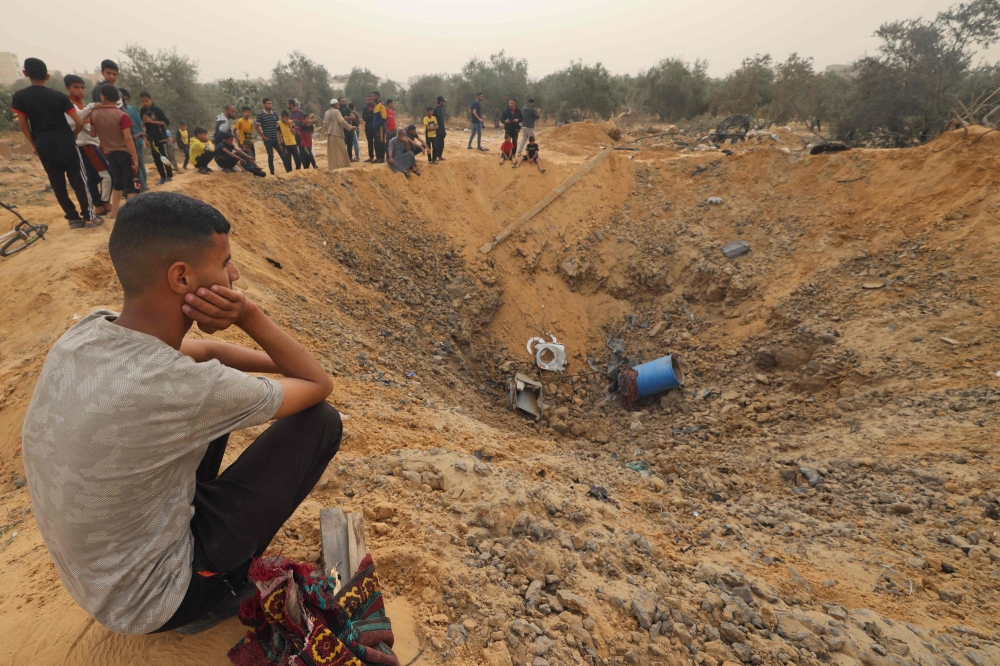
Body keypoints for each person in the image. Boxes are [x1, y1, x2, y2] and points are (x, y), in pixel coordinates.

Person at [22, 191, 340, 636]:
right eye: (225, 262)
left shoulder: (91, 330)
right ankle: (221, 586)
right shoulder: (178, 388)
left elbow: (208, 351)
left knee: (213, 392)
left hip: (99, 582)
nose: (235, 274)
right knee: (320, 421)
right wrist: (248, 315)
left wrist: (285, 360)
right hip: (157, 602)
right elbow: (318, 386)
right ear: (182, 278)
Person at [11, 58, 99, 228]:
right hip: (66, 141)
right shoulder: (59, 96)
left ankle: (73, 218)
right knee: (78, 180)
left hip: (43, 144)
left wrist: (33, 144)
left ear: (25, 73)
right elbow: (79, 123)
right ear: (48, 76)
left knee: (57, 182)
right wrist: (72, 137)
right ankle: (89, 217)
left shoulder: (20, 96)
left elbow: (23, 125)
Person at [64, 74, 112, 216]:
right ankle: (104, 202)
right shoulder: (69, 104)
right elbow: (77, 120)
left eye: (82, 87)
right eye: (76, 87)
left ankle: (98, 205)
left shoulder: (79, 104)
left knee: (93, 177)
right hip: (85, 144)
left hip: (89, 143)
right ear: (68, 88)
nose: (81, 90)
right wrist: (91, 108)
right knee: (107, 174)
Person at [90, 84, 139, 218]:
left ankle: (114, 212)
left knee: (117, 182)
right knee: (131, 183)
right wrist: (135, 158)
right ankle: (132, 214)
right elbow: (128, 138)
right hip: (124, 152)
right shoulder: (122, 115)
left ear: (102, 97)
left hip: (109, 153)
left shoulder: (94, 114)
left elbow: (93, 134)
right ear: (118, 97)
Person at [139, 92, 174, 185]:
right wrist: (145, 138)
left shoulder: (157, 109)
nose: (145, 103)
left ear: (151, 99)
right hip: (151, 139)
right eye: (142, 101)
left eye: (146, 101)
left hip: (161, 138)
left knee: (165, 157)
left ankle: (169, 176)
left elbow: (166, 122)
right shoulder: (142, 110)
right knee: (156, 159)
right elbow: (142, 125)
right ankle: (162, 177)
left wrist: (152, 121)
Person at [121, 90, 148, 191]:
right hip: (137, 139)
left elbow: (140, 124)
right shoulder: (130, 109)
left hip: (133, 141)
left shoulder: (126, 110)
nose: (126, 101)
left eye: (127, 99)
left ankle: (142, 186)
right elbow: (141, 123)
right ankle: (144, 184)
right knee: (140, 163)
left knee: (136, 164)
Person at [254, 98, 284, 176]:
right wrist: (263, 137)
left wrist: (280, 137)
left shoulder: (275, 114)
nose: (270, 105)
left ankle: (288, 170)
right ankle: (272, 173)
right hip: (268, 139)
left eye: (270, 103)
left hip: (276, 138)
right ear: (264, 104)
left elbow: (279, 125)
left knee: (283, 154)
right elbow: (257, 127)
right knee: (271, 156)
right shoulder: (260, 115)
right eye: (268, 103)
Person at [322, 99, 352, 170]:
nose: (339, 106)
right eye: (338, 104)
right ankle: (341, 167)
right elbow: (342, 121)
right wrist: (350, 127)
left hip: (330, 134)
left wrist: (328, 130)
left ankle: (333, 167)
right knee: (340, 151)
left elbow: (324, 125)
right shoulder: (336, 111)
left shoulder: (326, 113)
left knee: (333, 152)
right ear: (335, 105)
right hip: (337, 134)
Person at [286, 99, 306, 167]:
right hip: (291, 136)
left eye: (287, 104)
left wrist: (299, 130)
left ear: (291, 104)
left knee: (302, 151)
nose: (287, 105)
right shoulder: (288, 113)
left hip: (299, 135)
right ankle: (298, 167)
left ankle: (305, 166)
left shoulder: (300, 112)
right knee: (294, 152)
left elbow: (303, 123)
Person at [370, 91, 387, 163]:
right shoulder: (375, 105)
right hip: (375, 128)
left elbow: (384, 117)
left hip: (380, 128)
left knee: (381, 142)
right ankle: (377, 157)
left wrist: (377, 125)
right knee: (376, 143)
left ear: (377, 96)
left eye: (373, 96)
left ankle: (382, 158)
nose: (372, 98)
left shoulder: (381, 105)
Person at [433, 96, 447, 162]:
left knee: (442, 144)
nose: (444, 103)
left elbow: (442, 121)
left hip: (442, 130)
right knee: (437, 145)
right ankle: (435, 157)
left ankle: (440, 156)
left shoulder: (441, 109)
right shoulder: (435, 109)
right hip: (437, 130)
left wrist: (444, 130)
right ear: (440, 102)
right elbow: (432, 120)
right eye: (443, 102)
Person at [362, 95, 375, 162]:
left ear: (372, 100)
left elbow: (375, 117)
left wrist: (368, 116)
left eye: (369, 100)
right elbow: (364, 118)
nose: (368, 101)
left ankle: (378, 157)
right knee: (370, 143)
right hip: (368, 127)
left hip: (375, 127)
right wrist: (370, 116)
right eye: (367, 100)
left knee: (376, 142)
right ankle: (371, 157)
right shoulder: (365, 108)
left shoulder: (375, 107)